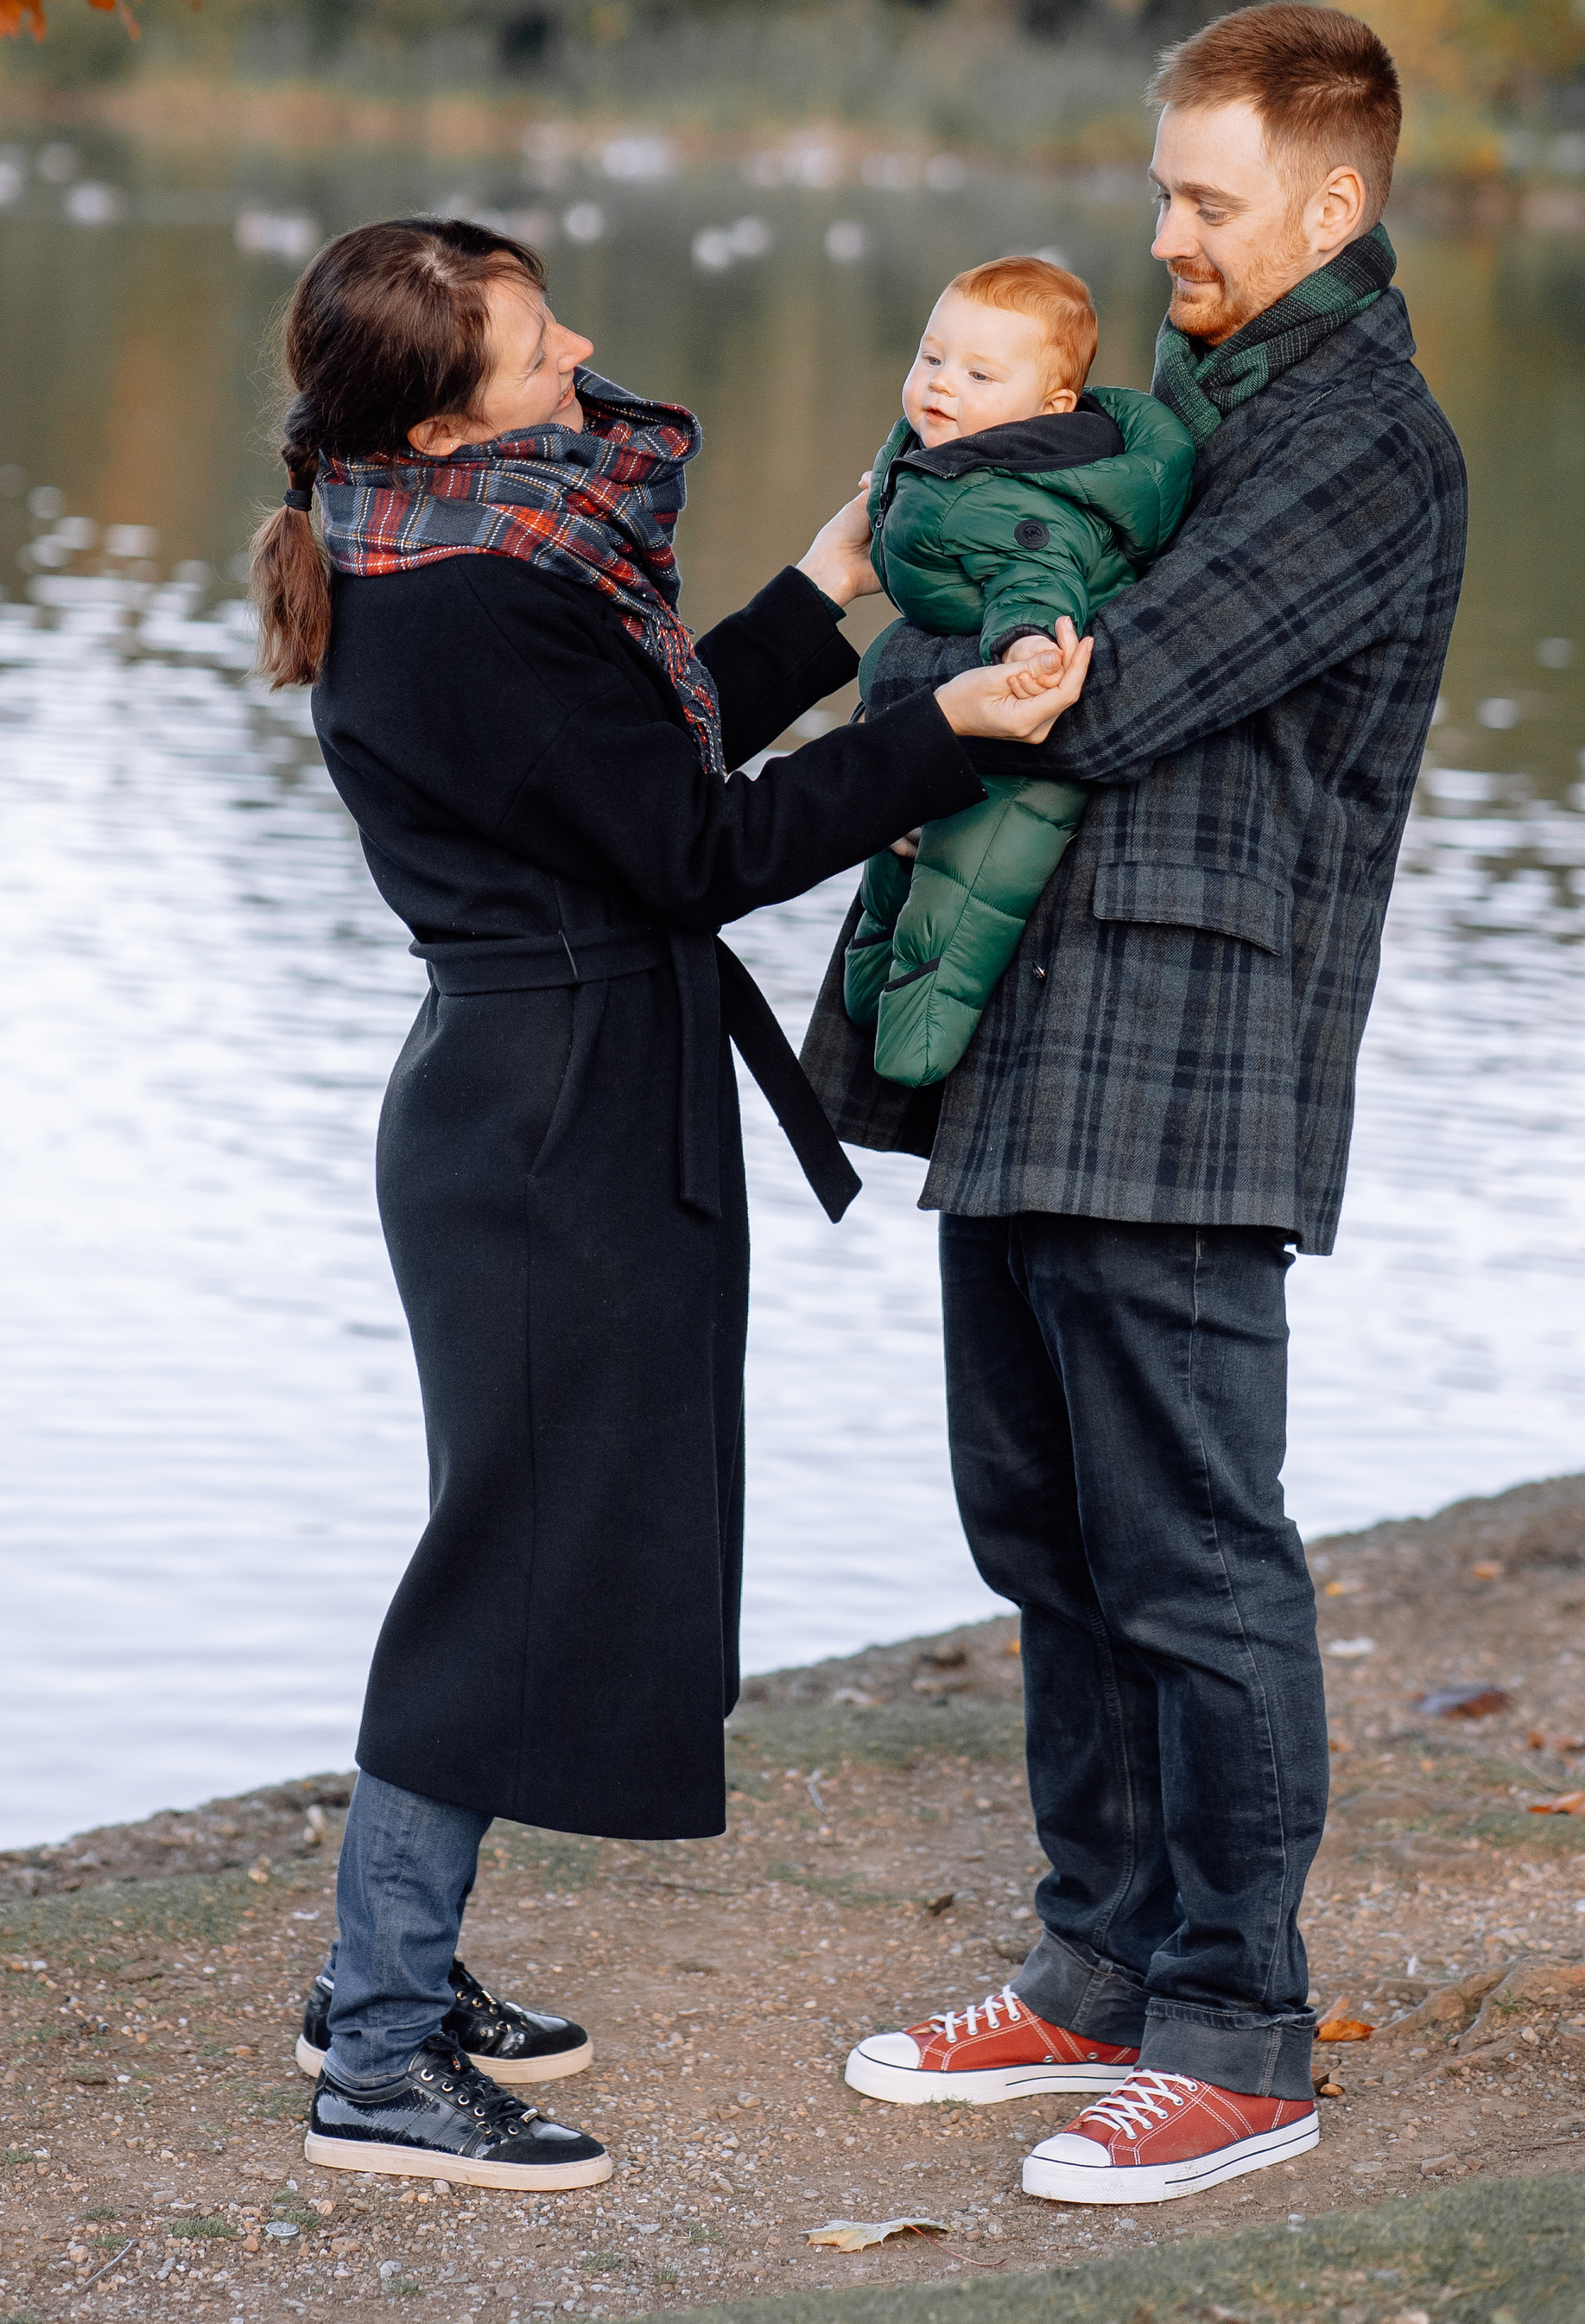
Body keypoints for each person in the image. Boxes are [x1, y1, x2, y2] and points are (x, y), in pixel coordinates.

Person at [249, 213, 1092, 2194]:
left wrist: (821, 586)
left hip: (540, 1098)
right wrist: (943, 735)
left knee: (518, 1536)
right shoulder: (464, 596)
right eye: (536, 344)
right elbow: (696, 848)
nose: (580, 354)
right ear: (442, 416)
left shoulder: (433, 546)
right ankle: (376, 2053)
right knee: (502, 1563)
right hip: (548, 1125)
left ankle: (390, 1973)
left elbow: (632, 769)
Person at [808, 3, 1467, 2209]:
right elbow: (975, 640)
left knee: (1189, 1551)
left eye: (1203, 198)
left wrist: (955, 658)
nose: (1163, 231)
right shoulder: (1182, 412)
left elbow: (1101, 698)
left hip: (1184, 1053)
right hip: (1030, 1029)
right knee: (1038, 1527)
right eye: (1159, 189)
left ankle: (1235, 2034)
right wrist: (956, 659)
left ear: (1328, 202)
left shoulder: (1360, 442)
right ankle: (1092, 1968)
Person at [842, 254, 1195, 1087]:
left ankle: (915, 1050)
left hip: (1018, 753)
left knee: (964, 898)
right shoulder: (952, 453)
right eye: (931, 357)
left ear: (1050, 409)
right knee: (893, 863)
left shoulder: (1022, 500)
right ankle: (869, 996)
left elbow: (1034, 577)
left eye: (978, 374)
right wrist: (889, 496)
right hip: (953, 718)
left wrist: (1029, 644)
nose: (941, 383)